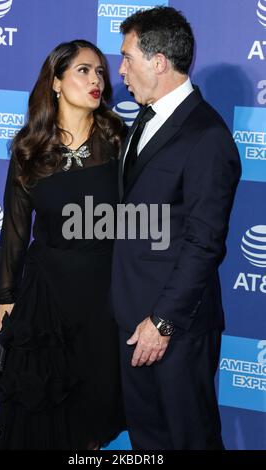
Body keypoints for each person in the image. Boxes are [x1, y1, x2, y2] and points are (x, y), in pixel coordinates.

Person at [0, 40, 126, 450]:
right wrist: (6, 296)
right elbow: (13, 228)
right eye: (83, 70)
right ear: (56, 82)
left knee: (92, 413)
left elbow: (142, 221)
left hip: (105, 298)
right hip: (46, 299)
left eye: (100, 71)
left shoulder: (119, 142)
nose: (96, 79)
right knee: (43, 413)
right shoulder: (30, 148)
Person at [111, 6, 241, 450]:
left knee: (188, 439)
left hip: (175, 330)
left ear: (159, 61)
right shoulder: (141, 122)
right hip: (131, 321)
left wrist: (161, 322)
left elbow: (204, 243)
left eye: (128, 57)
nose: (121, 70)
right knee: (147, 440)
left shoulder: (207, 136)